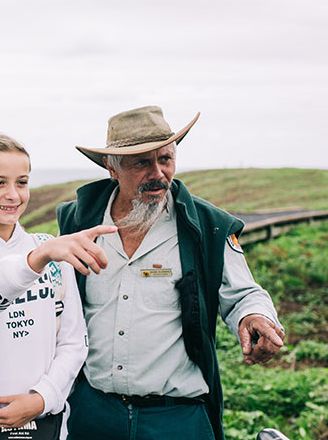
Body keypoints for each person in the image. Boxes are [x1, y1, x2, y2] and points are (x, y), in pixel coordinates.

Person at [57, 106, 285, 440]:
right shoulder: (77, 221)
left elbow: (244, 295)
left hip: (177, 419)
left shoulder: (207, 226)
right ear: (112, 167)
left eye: (165, 159)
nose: (158, 173)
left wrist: (254, 316)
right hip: (92, 413)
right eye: (141, 162)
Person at [0, 134, 116, 440]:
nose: (13, 194)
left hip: (46, 424)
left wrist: (42, 397)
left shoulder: (50, 250)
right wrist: (35, 260)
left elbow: (74, 342)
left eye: (21, 182)